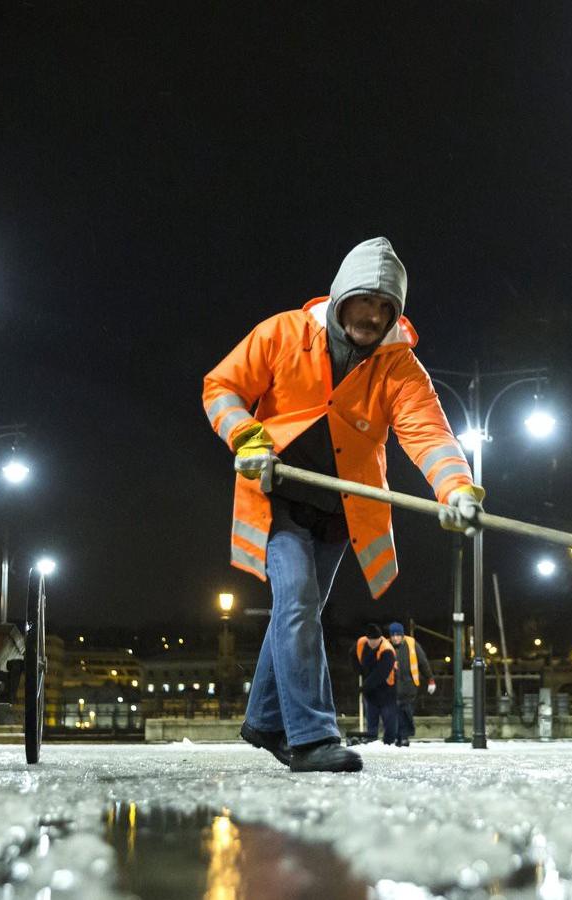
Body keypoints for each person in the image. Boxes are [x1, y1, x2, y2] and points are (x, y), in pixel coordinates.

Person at [203, 237, 485, 773]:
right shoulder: (282, 333)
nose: (374, 315)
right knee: (298, 603)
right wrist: (246, 435)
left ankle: (263, 721)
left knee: (298, 607)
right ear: (339, 297)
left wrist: (456, 489)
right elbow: (222, 387)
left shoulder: (402, 369)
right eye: (365, 300)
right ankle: (310, 737)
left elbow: (428, 435)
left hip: (339, 511)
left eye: (387, 307)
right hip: (278, 496)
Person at [386, 622, 435, 747]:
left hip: (409, 686)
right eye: (393, 635)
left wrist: (430, 679)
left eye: (398, 635)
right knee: (395, 712)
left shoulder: (412, 644)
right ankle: (399, 737)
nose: (395, 638)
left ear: (402, 635)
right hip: (392, 686)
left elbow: (423, 662)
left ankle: (404, 736)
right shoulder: (386, 646)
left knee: (406, 711)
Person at [350, 627, 399, 745]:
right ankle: (371, 739)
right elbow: (352, 654)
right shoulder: (361, 642)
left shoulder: (387, 650)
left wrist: (364, 687)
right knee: (371, 715)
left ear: (380, 638)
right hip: (370, 689)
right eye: (371, 640)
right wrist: (359, 670)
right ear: (367, 639)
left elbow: (380, 674)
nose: (373, 643)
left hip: (387, 688)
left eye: (376, 640)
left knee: (389, 717)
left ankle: (389, 741)